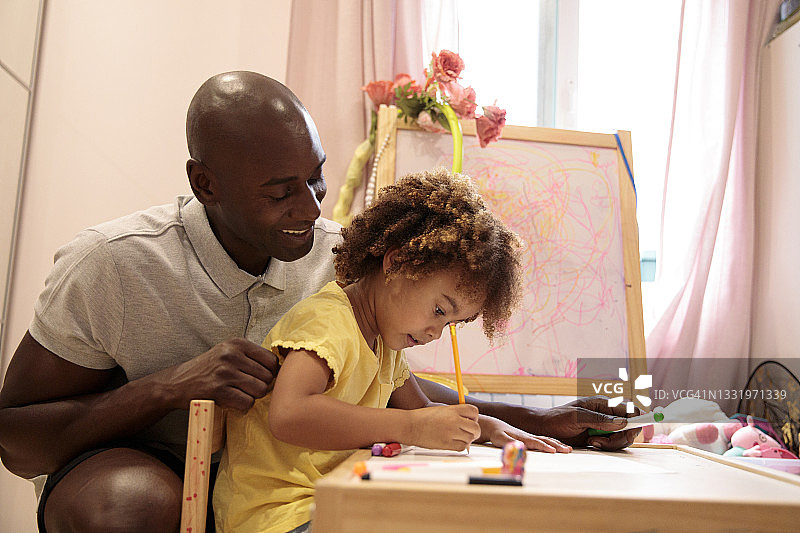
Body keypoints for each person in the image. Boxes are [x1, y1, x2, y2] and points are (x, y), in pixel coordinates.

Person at [0, 71, 638, 533]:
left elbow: (391, 385)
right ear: (205, 184)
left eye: (316, 176)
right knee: (133, 506)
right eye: (281, 191)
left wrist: (528, 420)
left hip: (293, 482)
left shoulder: (340, 258)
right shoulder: (112, 263)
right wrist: (169, 387)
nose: (311, 209)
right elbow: (16, 438)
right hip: (153, 468)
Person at [213, 168, 573, 532]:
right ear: (396, 262)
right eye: (438, 311)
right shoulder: (329, 322)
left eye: (450, 323)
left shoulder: (385, 343)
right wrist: (411, 428)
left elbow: (424, 411)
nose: (435, 332)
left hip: (332, 502)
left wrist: (486, 426)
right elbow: (289, 414)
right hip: (278, 516)